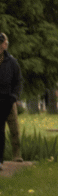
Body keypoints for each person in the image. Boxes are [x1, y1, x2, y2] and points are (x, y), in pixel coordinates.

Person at [0, 33, 20, 163]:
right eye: (4, 42)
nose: (5, 45)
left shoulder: (11, 61)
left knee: (14, 129)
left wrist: (14, 96)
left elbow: (18, 80)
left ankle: (17, 155)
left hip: (9, 99)